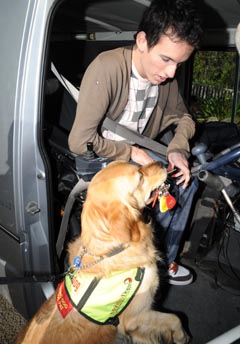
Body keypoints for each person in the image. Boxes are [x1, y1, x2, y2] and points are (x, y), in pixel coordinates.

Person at [68, 0, 203, 286]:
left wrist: (178, 149)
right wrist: (130, 151)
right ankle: (131, 264)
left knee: (186, 180)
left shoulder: (167, 82)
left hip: (136, 158)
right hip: (100, 158)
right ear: (142, 41)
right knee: (152, 191)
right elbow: (80, 142)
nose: (171, 73)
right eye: (166, 59)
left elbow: (185, 119)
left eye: (179, 63)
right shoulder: (107, 68)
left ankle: (162, 259)